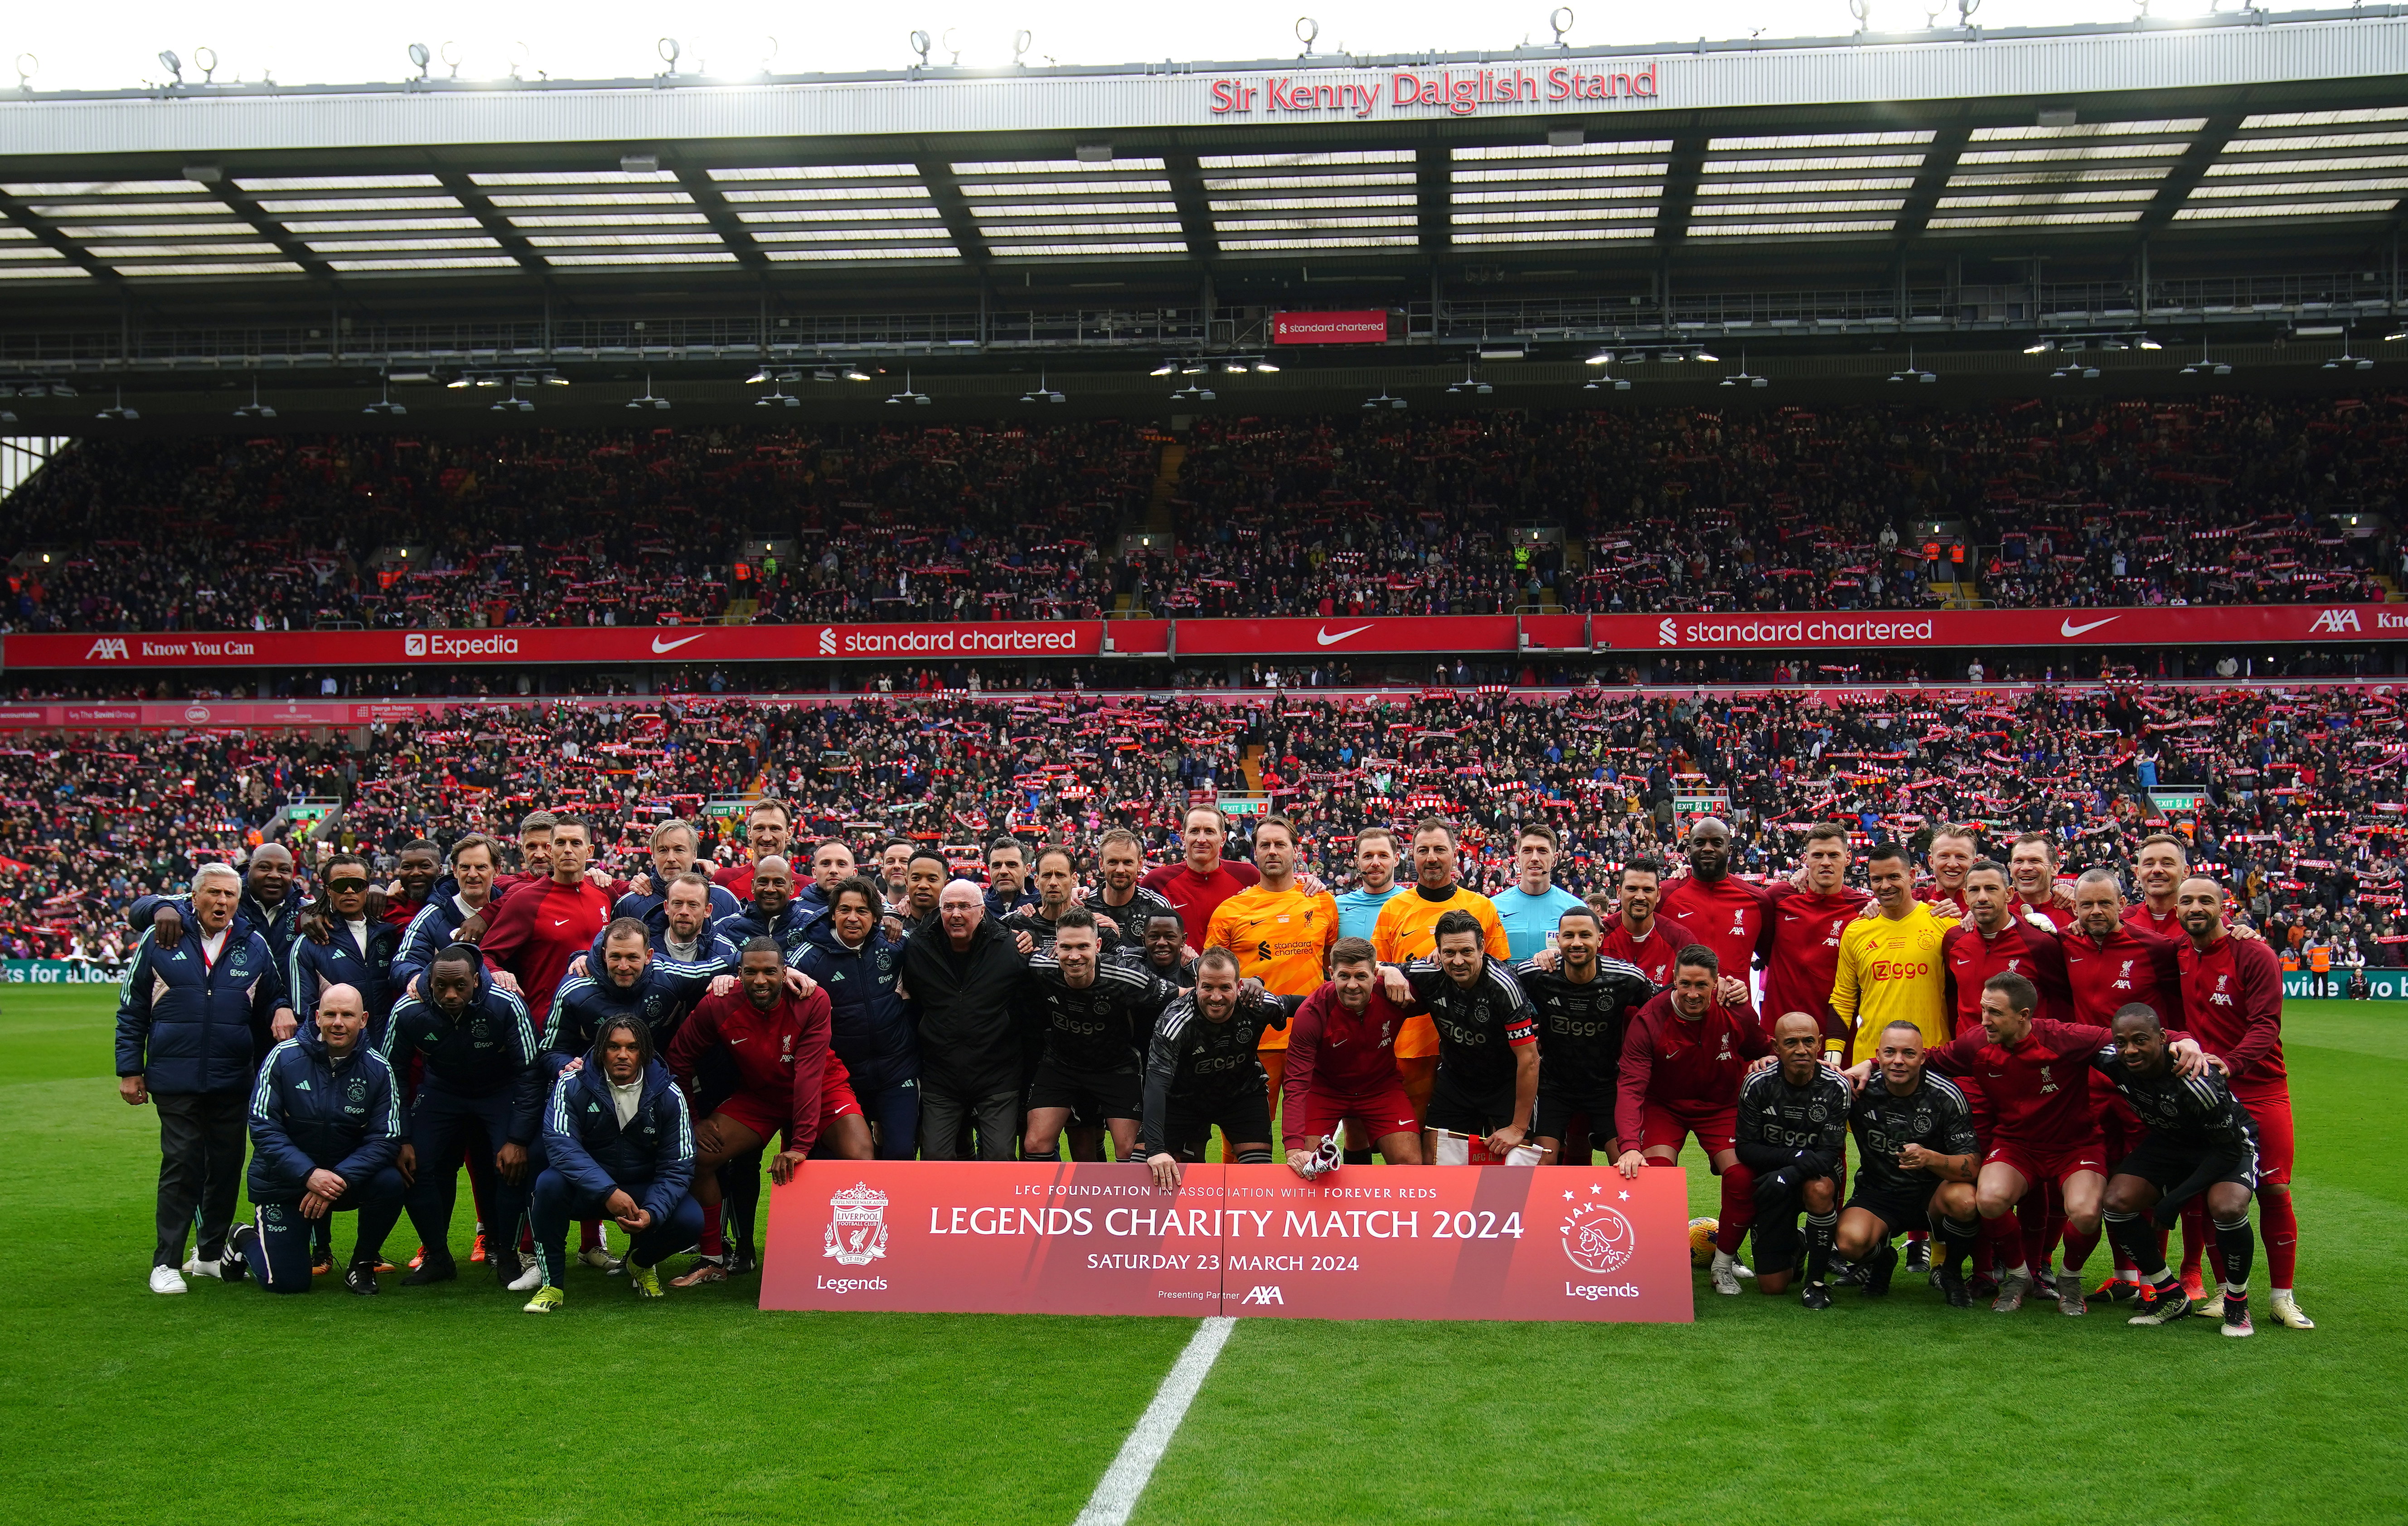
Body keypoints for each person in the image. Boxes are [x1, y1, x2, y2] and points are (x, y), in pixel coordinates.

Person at [1894, 970, 2214, 1317]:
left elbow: (2129, 1036)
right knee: (1988, 1199)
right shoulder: (1977, 1043)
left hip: (2074, 1146)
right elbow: (1928, 1058)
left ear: (2023, 1016)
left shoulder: (2065, 1038)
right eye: (1983, 1009)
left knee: (2087, 1212)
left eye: (1994, 1013)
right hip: (2016, 1145)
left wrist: (2184, 1040)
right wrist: (1866, 1067)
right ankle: (2018, 1277)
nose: (1984, 1019)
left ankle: (2069, 1279)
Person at [115, 862, 295, 1295]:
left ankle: (210, 1255)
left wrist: (283, 1007)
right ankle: (166, 1262)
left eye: (229, 895)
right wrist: (129, 1069)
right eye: (213, 894)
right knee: (183, 1162)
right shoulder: (161, 938)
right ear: (192, 898)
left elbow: (274, 994)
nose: (222, 902)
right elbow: (132, 1007)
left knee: (227, 1166)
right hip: (174, 1075)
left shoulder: (252, 944)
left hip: (233, 1076)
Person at [666, 937, 852, 1286]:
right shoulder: (718, 1004)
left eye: (770, 971)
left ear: (785, 973)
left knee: (860, 1157)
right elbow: (678, 1058)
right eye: (751, 972)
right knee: (697, 1158)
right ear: (739, 975)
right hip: (760, 1097)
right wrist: (693, 1120)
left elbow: (808, 1076)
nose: (761, 980)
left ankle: (842, 1254)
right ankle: (712, 1258)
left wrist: (799, 1146)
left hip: (822, 1087)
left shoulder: (812, 999)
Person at [2175, 875, 2312, 1330]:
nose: (2196, 907)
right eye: (2188, 900)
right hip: (2210, 1091)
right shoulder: (2178, 952)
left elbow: (2266, 1026)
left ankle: (2283, 1297)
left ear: (2223, 906)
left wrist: (2228, 1065)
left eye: (2205, 900)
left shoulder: (2253, 953)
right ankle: (2225, 1292)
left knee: (2273, 1189)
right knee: (2217, 1195)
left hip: (2260, 1087)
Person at [2095, 1003, 2264, 1336]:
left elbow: (2227, 1150)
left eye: (2140, 1040)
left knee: (2227, 1207)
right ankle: (2170, 1296)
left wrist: (2174, 1200)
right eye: (2122, 1041)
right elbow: (2073, 1039)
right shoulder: (2111, 1059)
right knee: (2115, 1203)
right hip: (2170, 1144)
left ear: (2161, 1039)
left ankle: (2236, 1301)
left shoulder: (2194, 1079)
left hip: (2226, 1146)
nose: (2130, 1050)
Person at [381, 944, 543, 1290]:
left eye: (459, 986)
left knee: (512, 1166)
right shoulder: (409, 1008)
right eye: (441, 987)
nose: (450, 995)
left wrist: (517, 1139)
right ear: (429, 981)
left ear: (476, 980)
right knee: (413, 1165)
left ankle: (507, 1253)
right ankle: (438, 1256)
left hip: (499, 1091)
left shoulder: (506, 1003)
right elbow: (390, 1073)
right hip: (442, 1091)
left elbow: (530, 1072)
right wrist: (402, 1136)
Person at [228, 983, 406, 1296]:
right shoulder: (282, 1058)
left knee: (391, 1181)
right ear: (317, 1017)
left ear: (363, 1020)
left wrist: (337, 1177)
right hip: (286, 1184)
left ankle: (362, 1264)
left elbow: (386, 1138)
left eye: (347, 1015)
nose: (338, 1022)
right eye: (331, 1014)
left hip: (342, 1182)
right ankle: (243, 1236)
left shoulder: (379, 1069)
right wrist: (308, 1174)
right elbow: (263, 1126)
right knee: (287, 1283)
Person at [1614, 945, 1771, 1295]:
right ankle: (1662, 1264)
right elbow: (1630, 1087)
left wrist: (1762, 1062)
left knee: (1741, 1177)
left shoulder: (1736, 1012)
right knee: (1654, 1175)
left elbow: (1763, 1049)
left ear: (1717, 983)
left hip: (1721, 1106)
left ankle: (1723, 1265)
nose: (1692, 993)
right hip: (1664, 1106)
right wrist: (1628, 1146)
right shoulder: (1649, 1020)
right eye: (1684, 984)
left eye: (1701, 985)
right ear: (1673, 980)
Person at [524, 1014, 702, 1311]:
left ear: (644, 1052)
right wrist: (607, 1192)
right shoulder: (571, 1084)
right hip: (588, 1191)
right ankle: (551, 1286)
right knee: (548, 1185)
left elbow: (678, 1164)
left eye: (632, 1048)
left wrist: (652, 1212)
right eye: (613, 1047)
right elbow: (562, 1147)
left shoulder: (670, 1094)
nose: (622, 1055)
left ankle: (640, 1262)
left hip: (639, 1191)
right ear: (599, 1051)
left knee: (690, 1220)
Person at [1835, 1019, 1982, 1307]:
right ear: (1877, 1056)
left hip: (1933, 1194)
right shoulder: (1859, 1092)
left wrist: (1930, 1158)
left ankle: (1950, 1271)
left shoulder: (1946, 1095)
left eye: (1909, 1054)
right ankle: (1883, 1258)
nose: (1898, 1061)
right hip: (1878, 1194)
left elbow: (1972, 1165)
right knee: (1849, 1243)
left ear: (1923, 1057)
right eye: (1890, 1053)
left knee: (1967, 1202)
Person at [1372, 819, 1511, 1123]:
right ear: (1412, 855)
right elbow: (1374, 968)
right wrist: (1388, 971)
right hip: (1412, 1044)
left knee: (1473, 1141)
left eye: (1439, 849)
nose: (1431, 857)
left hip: (1474, 1044)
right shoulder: (1393, 909)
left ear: (1455, 854)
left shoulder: (1482, 907)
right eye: (1423, 850)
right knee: (1418, 1134)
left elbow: (1502, 969)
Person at [1022, 909, 1182, 1162]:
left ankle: (1125, 1203)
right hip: (1061, 1065)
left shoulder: (1127, 975)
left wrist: (1244, 986)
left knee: (1130, 1151)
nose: (1074, 957)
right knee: (1035, 1143)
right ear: (1056, 946)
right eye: (1066, 947)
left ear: (1097, 946)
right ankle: (1046, 1203)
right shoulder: (1040, 966)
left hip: (1115, 1068)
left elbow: (1183, 994)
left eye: (1083, 947)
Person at [1203, 814, 1337, 1103]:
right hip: (1250, 1036)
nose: (1272, 851)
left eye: (1280, 844)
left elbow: (1331, 965)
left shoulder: (1322, 901)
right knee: (1245, 1134)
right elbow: (1210, 977)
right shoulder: (1230, 910)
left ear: (1296, 851)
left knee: (1310, 1133)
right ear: (1255, 852)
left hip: (1310, 1034)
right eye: (1265, 845)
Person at [1395, 909, 1541, 1164]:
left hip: (1505, 1084)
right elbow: (1373, 966)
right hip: (1456, 1082)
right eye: (1449, 953)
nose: (1458, 961)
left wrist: (1518, 1128)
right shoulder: (1430, 973)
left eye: (1466, 952)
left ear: (1482, 948)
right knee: (1434, 1160)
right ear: (1438, 951)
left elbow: (1529, 1059)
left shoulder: (1504, 987)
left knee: (1516, 1166)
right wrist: (1390, 972)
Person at [903, 880, 1035, 1161]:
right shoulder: (918, 946)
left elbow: (1027, 1007)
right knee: (935, 1158)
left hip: (998, 1074)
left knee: (1000, 1156)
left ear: (982, 910)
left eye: (964, 906)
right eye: (949, 907)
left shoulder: (1011, 947)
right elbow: (914, 1001)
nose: (956, 914)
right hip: (941, 1075)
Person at [790, 876, 919, 1161]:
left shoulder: (895, 944)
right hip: (843, 1079)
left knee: (900, 1155)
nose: (852, 918)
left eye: (862, 911)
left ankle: (898, 1207)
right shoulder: (808, 959)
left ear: (875, 916)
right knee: (849, 1162)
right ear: (832, 913)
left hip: (897, 1072)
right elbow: (772, 973)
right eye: (844, 910)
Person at [1138, 948, 1293, 1182]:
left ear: (1239, 986)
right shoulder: (1175, 1021)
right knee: (1140, 1168)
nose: (1216, 997)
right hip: (1182, 1101)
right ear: (1197, 984)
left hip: (1241, 1096)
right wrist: (1156, 1150)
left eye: (1225, 988)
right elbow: (1156, 1085)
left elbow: (1298, 1004)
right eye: (1208, 987)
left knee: (1259, 1177)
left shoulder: (1256, 1004)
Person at [1518, 905, 1656, 1168]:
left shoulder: (1626, 978)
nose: (1577, 943)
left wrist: (1725, 989)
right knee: (1540, 1167)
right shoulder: (1536, 974)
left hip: (1606, 1087)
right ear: (1558, 940)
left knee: (1629, 1164)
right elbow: (1495, 983)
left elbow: (1665, 1001)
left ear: (1600, 939)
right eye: (1569, 936)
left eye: (1585, 935)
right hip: (1553, 1087)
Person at [1733, 1011, 1854, 1307]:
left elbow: (1827, 1155)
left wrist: (1786, 1174)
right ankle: (1799, 1244)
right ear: (1775, 1047)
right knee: (1772, 1287)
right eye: (1791, 1043)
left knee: (1819, 1188)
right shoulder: (1757, 1084)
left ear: (1819, 1045)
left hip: (1809, 1176)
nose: (1800, 1049)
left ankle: (1815, 1283)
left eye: (1808, 1041)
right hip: (1772, 1180)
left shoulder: (1836, 1087)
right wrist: (1794, 1161)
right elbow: (1745, 1149)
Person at [1280, 939, 1424, 1171]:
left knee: (1410, 1164)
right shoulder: (1312, 1012)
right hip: (1326, 1090)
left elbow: (1440, 987)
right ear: (1331, 973)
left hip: (1381, 1087)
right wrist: (1294, 1147)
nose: (1352, 985)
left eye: (1361, 976)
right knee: (1309, 1164)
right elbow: (1296, 1084)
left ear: (1375, 973)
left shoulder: (1394, 994)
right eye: (1344, 976)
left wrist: (1397, 970)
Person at [480, 816, 617, 1028]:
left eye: (576, 843)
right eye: (561, 843)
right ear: (551, 849)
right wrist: (499, 973)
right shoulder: (527, 901)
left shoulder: (604, 894)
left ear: (589, 851)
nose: (568, 850)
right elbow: (485, 955)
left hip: (600, 1024)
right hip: (547, 1026)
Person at [1829, 842, 1954, 1059]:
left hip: (1930, 1057)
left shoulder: (1944, 922)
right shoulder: (1856, 930)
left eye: (1894, 877)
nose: (1885, 886)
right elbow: (1843, 998)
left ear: (1912, 876)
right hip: (1871, 1060)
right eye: (1877, 879)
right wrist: (1834, 1056)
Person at [1758, 823, 1873, 1046]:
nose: (1826, 862)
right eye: (1818, 855)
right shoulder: (1778, 897)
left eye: (1834, 855)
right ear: (1805, 859)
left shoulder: (1864, 910)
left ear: (1848, 858)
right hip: (1777, 1037)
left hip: (1834, 1040)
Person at [1659, 816, 1774, 1022]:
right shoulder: (1664, 896)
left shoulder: (1757, 901)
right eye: (1700, 843)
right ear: (1689, 850)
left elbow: (1775, 958)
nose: (1708, 849)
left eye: (1717, 843)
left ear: (1730, 850)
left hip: (1735, 1018)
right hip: (1675, 1017)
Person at [287, 853, 403, 1050]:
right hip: (338, 1057)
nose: (349, 891)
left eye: (357, 885)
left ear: (367, 888)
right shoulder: (309, 943)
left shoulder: (390, 935)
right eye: (341, 885)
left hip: (389, 1053)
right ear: (328, 890)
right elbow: (303, 1016)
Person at [395, 834, 506, 996]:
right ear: (454, 870)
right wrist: (415, 977)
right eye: (465, 867)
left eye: (481, 867)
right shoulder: (431, 917)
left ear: (496, 870)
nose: (473, 874)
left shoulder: (510, 911)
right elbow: (404, 962)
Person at [1140, 805, 1264, 945]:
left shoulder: (1248, 876)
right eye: (1194, 831)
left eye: (1209, 832)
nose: (1201, 839)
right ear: (1183, 837)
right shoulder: (1157, 881)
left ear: (1223, 838)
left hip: (1237, 966)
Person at [617, 820, 743, 926]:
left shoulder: (724, 900)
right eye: (663, 851)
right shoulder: (629, 905)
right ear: (653, 857)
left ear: (694, 855)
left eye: (679, 850)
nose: (671, 858)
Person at [1599, 857, 1699, 988]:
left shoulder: (1681, 940)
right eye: (1632, 889)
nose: (1640, 897)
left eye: (1648, 890)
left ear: (1658, 894)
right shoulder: (1600, 934)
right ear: (1619, 892)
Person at [1491, 823, 1585, 962]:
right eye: (1528, 851)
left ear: (1555, 859)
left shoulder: (1575, 909)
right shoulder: (1493, 908)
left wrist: (1561, 956)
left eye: (1542, 851)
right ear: (1517, 859)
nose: (1535, 858)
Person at [720, 855, 815, 956]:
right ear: (753, 886)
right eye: (763, 882)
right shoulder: (727, 928)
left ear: (792, 888)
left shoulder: (811, 926)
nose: (770, 889)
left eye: (778, 883)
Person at [1093, 828, 1178, 937]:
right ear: (1101, 864)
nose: (1120, 870)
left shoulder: (1157, 907)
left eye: (1128, 862)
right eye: (1113, 862)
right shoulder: (1084, 905)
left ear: (1140, 864)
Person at [1333, 826, 1405, 943]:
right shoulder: (1338, 906)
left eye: (1383, 855)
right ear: (1357, 862)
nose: (1376, 863)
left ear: (1396, 859)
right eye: (1368, 856)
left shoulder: (1412, 904)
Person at [713, 799, 793, 902]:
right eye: (759, 828)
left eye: (775, 829)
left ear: (789, 833)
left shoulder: (805, 888)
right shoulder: (723, 881)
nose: (767, 838)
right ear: (749, 832)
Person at [2006, 832, 2077, 932]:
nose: (2025, 868)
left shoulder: (2075, 911)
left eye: (2035, 861)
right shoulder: (1998, 910)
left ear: (2055, 868)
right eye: (2019, 861)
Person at [984, 837, 1037, 918]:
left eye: (1012, 865)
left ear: (1027, 870)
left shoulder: (1043, 910)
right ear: (990, 871)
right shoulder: (979, 913)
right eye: (996, 866)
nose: (1003, 871)